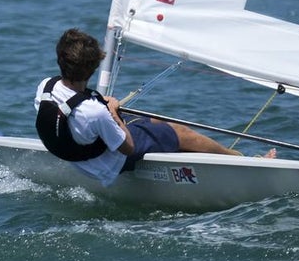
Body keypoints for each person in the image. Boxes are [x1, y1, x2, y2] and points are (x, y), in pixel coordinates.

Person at [34, 28, 274, 187]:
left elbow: (75, 113)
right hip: (106, 166)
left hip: (77, 151)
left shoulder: (46, 86)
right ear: (93, 68)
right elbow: (127, 147)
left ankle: (190, 154)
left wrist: (101, 108)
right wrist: (113, 111)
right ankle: (241, 159)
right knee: (180, 132)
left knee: (156, 123)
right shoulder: (95, 112)